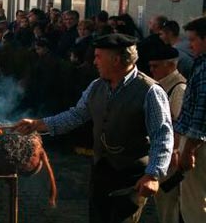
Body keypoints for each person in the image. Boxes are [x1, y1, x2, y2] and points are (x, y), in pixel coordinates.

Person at [14, 33, 174, 223]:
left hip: (131, 177)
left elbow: (162, 135)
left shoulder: (150, 91)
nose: (94, 61)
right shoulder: (96, 86)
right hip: (101, 171)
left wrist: (153, 174)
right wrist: (39, 124)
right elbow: (76, 115)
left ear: (116, 60)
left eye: (98, 56)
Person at [148, 46, 186, 223]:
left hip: (172, 157)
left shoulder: (179, 88)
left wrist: (173, 154)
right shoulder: (161, 86)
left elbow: (179, 126)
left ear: (170, 65)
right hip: (163, 153)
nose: (152, 70)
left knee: (169, 207)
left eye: (156, 66)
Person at [174, 17, 206, 223]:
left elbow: (201, 112)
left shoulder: (204, 69)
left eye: (194, 40)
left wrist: (188, 150)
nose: (190, 45)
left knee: (194, 202)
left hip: (198, 143)